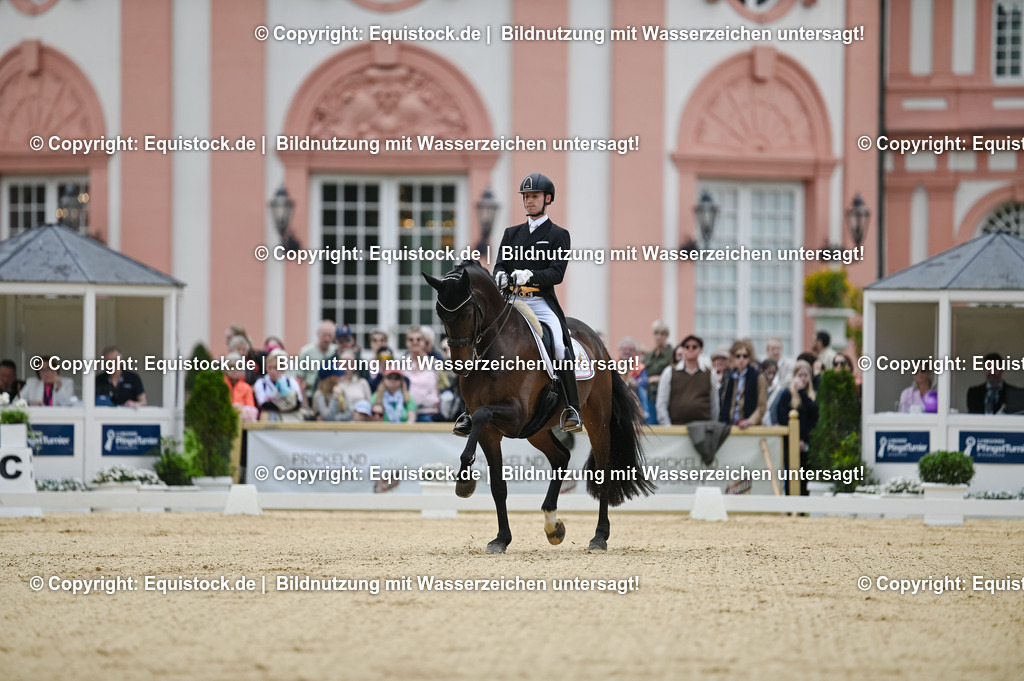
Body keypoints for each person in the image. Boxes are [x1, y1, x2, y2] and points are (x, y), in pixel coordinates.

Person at [454, 172, 581, 436]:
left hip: (538, 301)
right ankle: (467, 411)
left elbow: (557, 272)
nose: (529, 201)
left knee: (558, 343)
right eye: (526, 197)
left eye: (534, 196)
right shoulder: (512, 234)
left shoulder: (558, 234)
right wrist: (499, 273)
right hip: (510, 300)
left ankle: (572, 407)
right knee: (478, 342)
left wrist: (531, 275)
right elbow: (501, 262)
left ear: (547, 199)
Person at [656, 335, 714, 425]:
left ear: (700, 350)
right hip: (676, 427)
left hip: (703, 427)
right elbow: (661, 403)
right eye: (687, 347)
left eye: (694, 347)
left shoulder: (709, 373)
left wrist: (712, 426)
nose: (690, 349)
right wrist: (668, 427)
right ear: (683, 349)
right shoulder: (669, 372)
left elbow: (714, 403)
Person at [718, 339, 767, 429]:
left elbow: (762, 407)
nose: (741, 359)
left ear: (749, 358)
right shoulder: (729, 377)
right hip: (730, 427)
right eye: (738, 356)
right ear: (733, 357)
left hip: (750, 428)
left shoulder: (758, 376)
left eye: (745, 356)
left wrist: (750, 421)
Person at [773, 360, 819, 455]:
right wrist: (795, 440)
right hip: (789, 444)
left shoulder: (814, 395)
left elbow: (814, 414)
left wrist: (802, 392)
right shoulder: (786, 394)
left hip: (808, 445)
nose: (802, 379)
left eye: (805, 376)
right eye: (799, 375)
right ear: (794, 376)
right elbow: (782, 419)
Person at [403, 326, 443, 422]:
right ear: (406, 343)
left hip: (430, 413)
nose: (415, 342)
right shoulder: (401, 365)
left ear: (424, 342)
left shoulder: (435, 364)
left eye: (418, 339)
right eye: (411, 339)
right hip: (407, 413)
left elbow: (441, 387)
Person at [254, 348, 303, 421]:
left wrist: (273, 401)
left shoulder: (291, 381)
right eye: (269, 368)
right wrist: (285, 402)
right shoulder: (261, 383)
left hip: (289, 417)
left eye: (276, 367)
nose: (272, 371)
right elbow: (263, 404)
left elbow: (298, 402)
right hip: (269, 417)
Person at [296, 319, 338, 399]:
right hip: (310, 394)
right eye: (324, 335)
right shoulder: (306, 352)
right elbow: (300, 379)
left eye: (330, 336)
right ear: (318, 334)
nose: (327, 339)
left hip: (331, 395)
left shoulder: (335, 351)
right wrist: (303, 401)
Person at [643, 320, 674, 413]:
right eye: (656, 333)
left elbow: (676, 374)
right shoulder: (649, 355)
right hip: (648, 395)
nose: (659, 337)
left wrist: (659, 378)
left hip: (665, 397)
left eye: (662, 334)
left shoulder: (672, 354)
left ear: (667, 336)